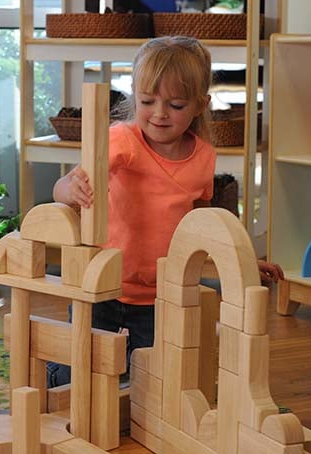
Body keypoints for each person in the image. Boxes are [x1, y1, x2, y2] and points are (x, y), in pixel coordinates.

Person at [48, 36, 284, 388]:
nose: (159, 114)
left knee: (151, 380)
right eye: (147, 101)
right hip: (101, 286)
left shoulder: (203, 157)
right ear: (134, 94)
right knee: (78, 375)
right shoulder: (121, 140)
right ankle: (53, 373)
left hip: (161, 294)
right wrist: (73, 189)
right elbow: (61, 188)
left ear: (200, 105)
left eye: (175, 105)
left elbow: (206, 227)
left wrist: (243, 261)